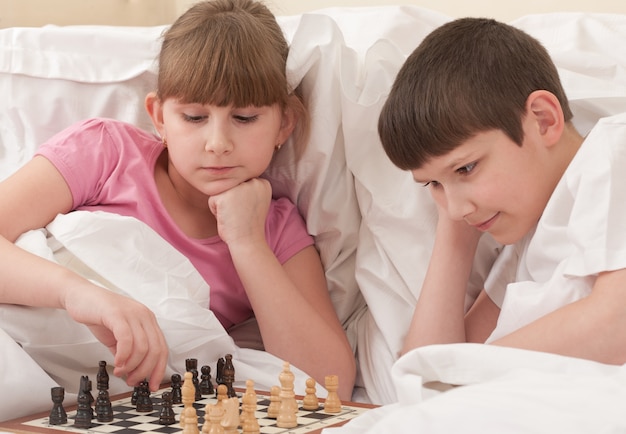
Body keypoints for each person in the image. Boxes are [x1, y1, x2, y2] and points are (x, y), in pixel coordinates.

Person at [0, 0, 355, 399]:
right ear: (159, 116)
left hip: (109, 398)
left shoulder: (274, 231)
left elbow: (331, 383)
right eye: (195, 117)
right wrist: (77, 293)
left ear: (284, 124)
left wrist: (246, 242)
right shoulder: (106, 152)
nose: (218, 144)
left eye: (245, 118)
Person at [378, 17, 626, 365]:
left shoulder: (613, 151)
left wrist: (460, 374)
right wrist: (455, 237)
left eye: (465, 168)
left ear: (543, 120)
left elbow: (616, 325)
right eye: (433, 183)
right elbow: (425, 371)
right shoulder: (522, 244)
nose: (454, 208)